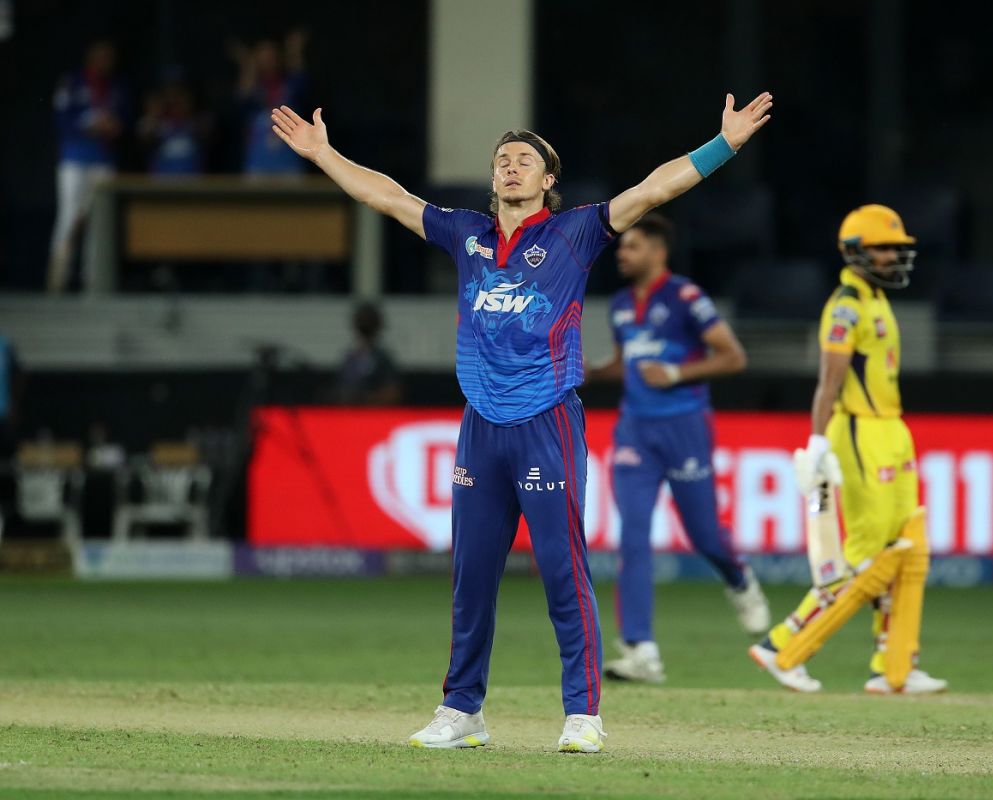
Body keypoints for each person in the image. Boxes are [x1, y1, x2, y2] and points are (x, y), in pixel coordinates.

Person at [270, 91, 772, 751]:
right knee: (471, 576)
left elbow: (653, 190)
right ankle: (461, 711)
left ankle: (583, 715)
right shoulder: (466, 233)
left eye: (523, 161)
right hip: (480, 427)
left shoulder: (578, 232)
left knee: (563, 572)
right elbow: (386, 198)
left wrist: (725, 144)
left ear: (547, 180)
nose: (509, 167)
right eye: (502, 160)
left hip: (546, 422)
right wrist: (324, 154)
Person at [748, 205, 948, 695]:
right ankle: (783, 646)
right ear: (855, 252)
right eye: (883, 248)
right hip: (858, 434)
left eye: (897, 249)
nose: (892, 257)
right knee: (863, 559)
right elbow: (828, 382)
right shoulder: (846, 306)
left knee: (908, 544)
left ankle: (895, 665)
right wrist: (817, 441)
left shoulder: (876, 299)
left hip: (890, 429)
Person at [585, 213, 768, 684]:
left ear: (658, 252)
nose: (621, 254)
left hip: (684, 427)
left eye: (632, 246)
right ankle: (640, 650)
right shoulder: (622, 304)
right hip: (635, 433)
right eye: (621, 247)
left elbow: (733, 356)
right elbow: (628, 367)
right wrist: (586, 371)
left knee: (705, 536)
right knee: (633, 535)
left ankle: (738, 578)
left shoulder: (686, 297)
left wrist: (675, 375)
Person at [47, 40, 127, 293]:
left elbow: (126, 119)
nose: (106, 61)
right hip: (74, 159)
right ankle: (58, 279)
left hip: (103, 159)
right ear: (90, 57)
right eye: (101, 55)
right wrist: (88, 124)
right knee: (70, 216)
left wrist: (114, 125)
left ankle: (94, 282)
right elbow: (61, 119)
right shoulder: (72, 81)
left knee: (99, 222)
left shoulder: (117, 86)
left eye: (110, 56)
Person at [232, 31, 307, 176]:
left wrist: (294, 52)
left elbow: (302, 85)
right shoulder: (253, 91)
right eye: (262, 55)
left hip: (289, 166)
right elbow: (241, 100)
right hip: (257, 167)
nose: (267, 60)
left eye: (271, 55)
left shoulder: (290, 86)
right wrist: (248, 65)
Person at [333, 302, 402, 405]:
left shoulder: (383, 358)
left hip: (374, 415)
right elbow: (342, 390)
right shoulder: (350, 358)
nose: (365, 323)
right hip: (350, 415)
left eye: (369, 320)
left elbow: (392, 392)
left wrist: (368, 400)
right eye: (362, 320)